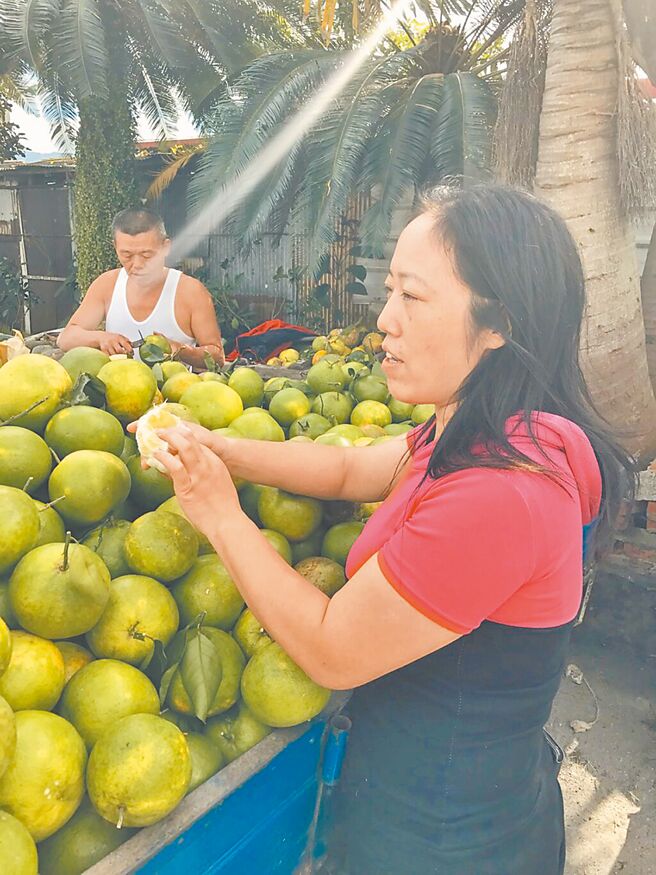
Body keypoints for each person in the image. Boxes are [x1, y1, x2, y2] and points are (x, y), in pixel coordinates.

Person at [141, 185, 633, 874]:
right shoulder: (476, 426)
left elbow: (332, 649)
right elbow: (352, 472)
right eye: (389, 290)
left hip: (444, 836)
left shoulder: (505, 491)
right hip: (444, 793)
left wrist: (218, 513)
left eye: (412, 296)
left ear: (500, 323)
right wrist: (218, 447)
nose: (384, 320)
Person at [57, 208, 225, 367]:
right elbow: (66, 338)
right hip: (118, 390)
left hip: (174, 394)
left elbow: (217, 356)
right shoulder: (107, 284)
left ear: (165, 247)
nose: (137, 264)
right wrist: (100, 338)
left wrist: (180, 350)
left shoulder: (190, 291)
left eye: (146, 255)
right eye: (126, 255)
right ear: (115, 247)